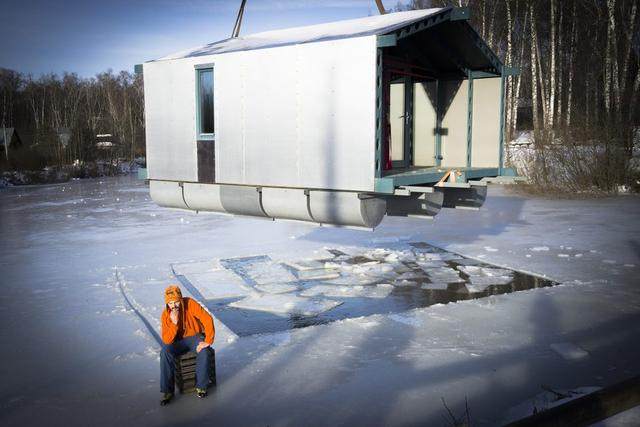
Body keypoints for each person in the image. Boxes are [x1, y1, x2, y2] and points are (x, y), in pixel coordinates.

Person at [160, 285, 215, 406]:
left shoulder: (190, 303)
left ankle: (202, 386)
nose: (173, 306)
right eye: (170, 303)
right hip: (177, 342)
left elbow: (207, 318)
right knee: (165, 351)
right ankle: (167, 391)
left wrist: (208, 340)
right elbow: (166, 340)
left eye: (176, 302)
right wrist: (174, 323)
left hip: (194, 338)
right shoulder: (165, 315)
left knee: (204, 351)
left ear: (180, 300)